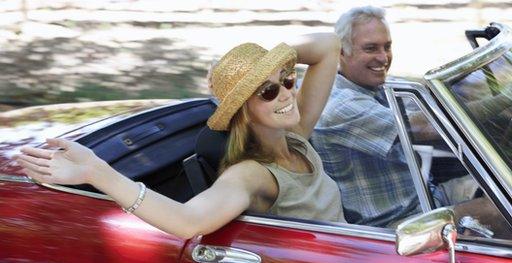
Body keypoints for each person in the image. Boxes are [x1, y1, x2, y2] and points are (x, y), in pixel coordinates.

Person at [15, 33, 345, 239]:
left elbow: (330, 46)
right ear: (242, 110)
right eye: (268, 91)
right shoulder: (252, 174)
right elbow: (189, 221)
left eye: (287, 80)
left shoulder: (296, 135)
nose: (287, 94)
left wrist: (261, 66)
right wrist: (96, 171)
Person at [310, 6, 479, 227]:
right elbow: (424, 126)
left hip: (426, 197)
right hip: (399, 225)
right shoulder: (340, 105)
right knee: (496, 211)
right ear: (341, 52)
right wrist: (494, 103)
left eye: (387, 47)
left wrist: (474, 92)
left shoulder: (370, 85)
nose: (383, 58)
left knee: (501, 186)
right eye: (371, 49)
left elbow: (426, 105)